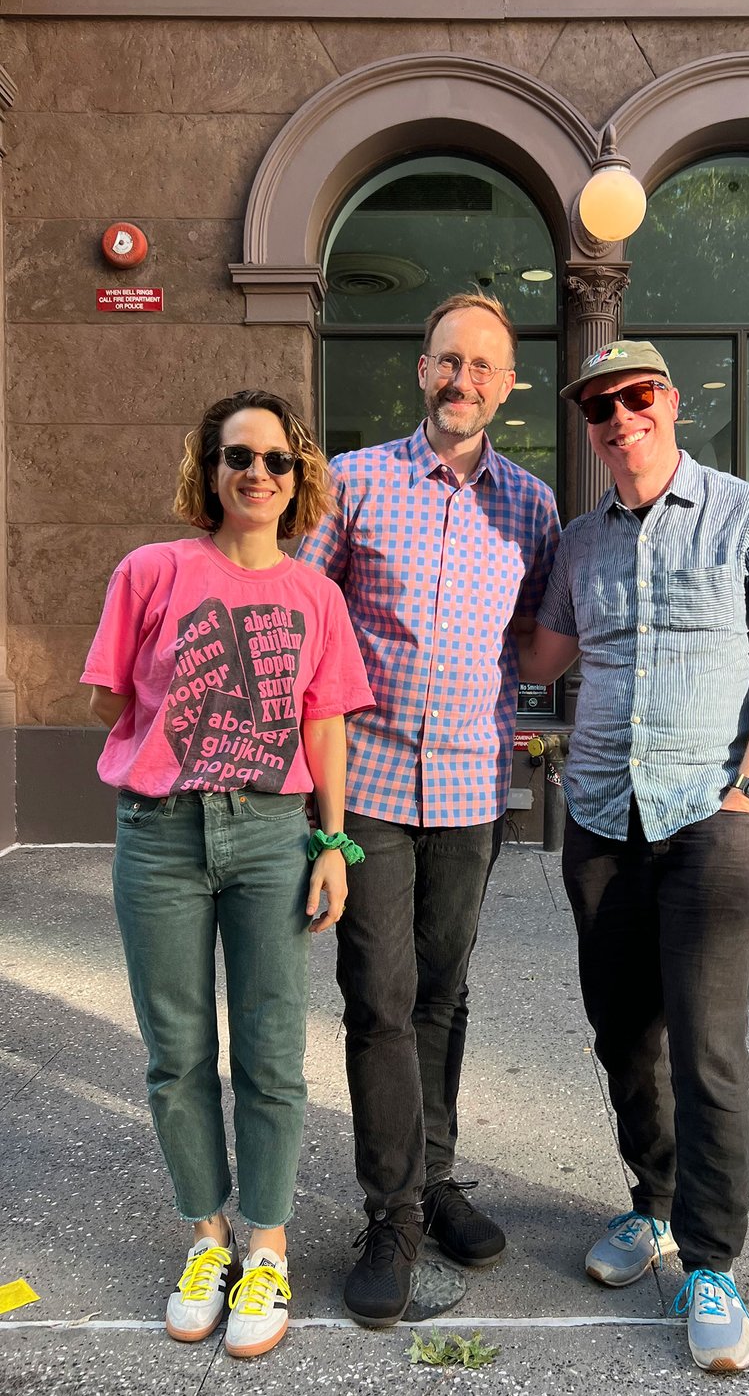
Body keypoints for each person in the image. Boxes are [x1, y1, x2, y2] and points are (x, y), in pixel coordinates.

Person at [517, 340, 749, 1374]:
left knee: (709, 1051)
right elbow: (540, 654)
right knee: (620, 1036)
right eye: (601, 406)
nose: (619, 417)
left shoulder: (747, 515)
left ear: (672, 403)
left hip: (705, 820)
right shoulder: (580, 544)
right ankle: (652, 1203)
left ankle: (713, 1261)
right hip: (599, 821)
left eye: (636, 396)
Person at [81, 390, 374, 1359]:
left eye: (277, 461)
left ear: (300, 481)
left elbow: (325, 726)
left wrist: (333, 846)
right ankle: (207, 1238)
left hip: (270, 837)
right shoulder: (150, 571)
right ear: (208, 470)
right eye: (237, 457)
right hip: (161, 836)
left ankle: (269, 1244)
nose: (258, 474)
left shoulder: (315, 596)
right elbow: (111, 700)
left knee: (271, 1053)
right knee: (175, 1053)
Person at [298, 293, 560, 1327]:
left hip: (466, 789)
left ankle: (434, 1176)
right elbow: (307, 625)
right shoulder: (352, 485)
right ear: (422, 370)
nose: (464, 382)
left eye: (484, 368)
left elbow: (536, 639)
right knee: (379, 995)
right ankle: (391, 1213)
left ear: (506, 385)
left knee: (444, 992)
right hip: (361, 787)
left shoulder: (530, 508)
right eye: (448, 362)